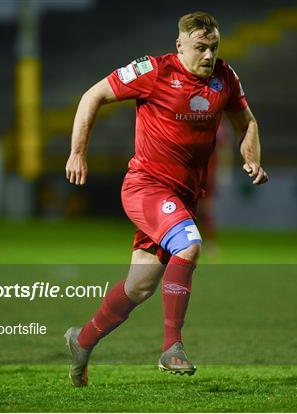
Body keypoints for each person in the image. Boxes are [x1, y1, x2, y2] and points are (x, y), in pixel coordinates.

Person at [64, 11, 268, 387]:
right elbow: (93, 95)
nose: (208, 56)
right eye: (200, 48)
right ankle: (172, 347)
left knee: (138, 288)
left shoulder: (225, 77)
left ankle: (82, 340)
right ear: (180, 46)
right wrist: (78, 152)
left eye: (213, 47)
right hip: (145, 187)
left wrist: (251, 157)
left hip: (183, 197)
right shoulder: (153, 71)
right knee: (189, 245)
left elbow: (247, 122)